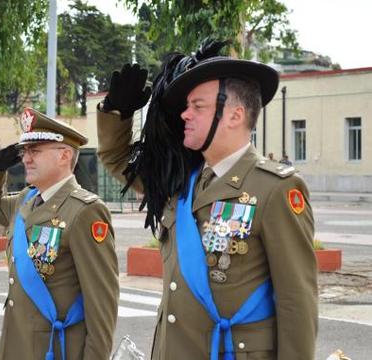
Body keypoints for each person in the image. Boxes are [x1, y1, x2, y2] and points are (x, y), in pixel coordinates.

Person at [97, 39, 317, 360]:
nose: (185, 114)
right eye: (187, 106)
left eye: (198, 106)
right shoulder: (181, 182)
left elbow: (296, 303)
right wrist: (118, 112)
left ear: (234, 115)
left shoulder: (275, 189)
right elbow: (119, 161)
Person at [0, 108, 119, 360]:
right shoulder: (25, 201)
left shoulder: (85, 211)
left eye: (35, 151)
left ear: (64, 155)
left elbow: (101, 305)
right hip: (16, 344)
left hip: (55, 349)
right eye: (25, 152)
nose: (26, 159)